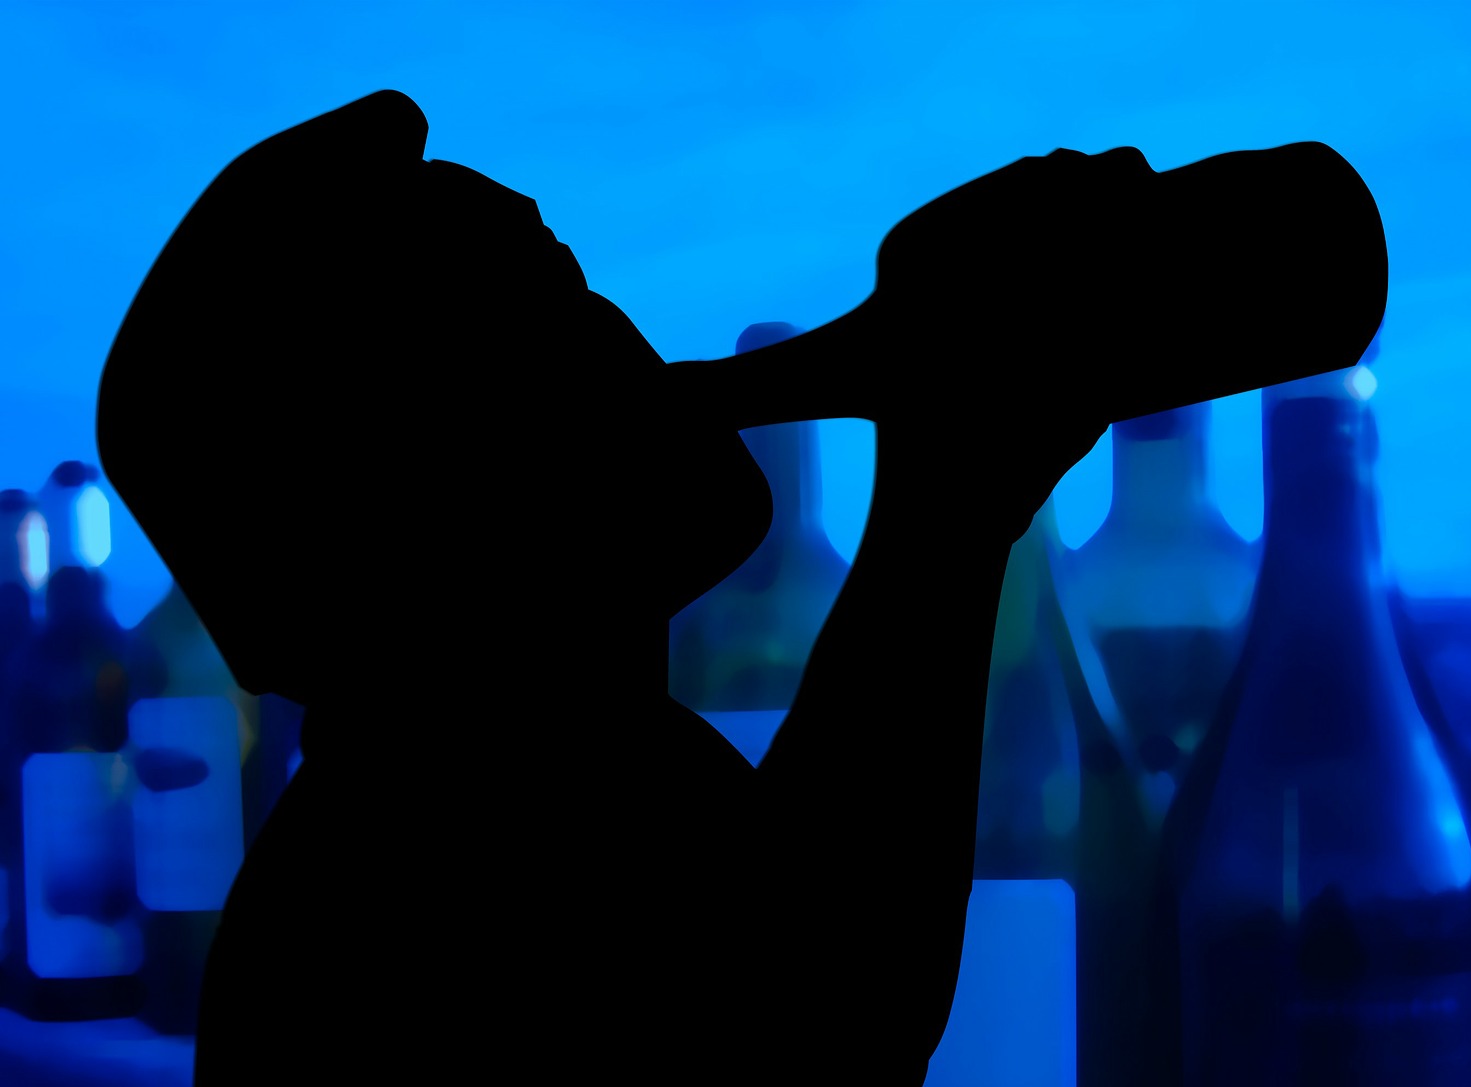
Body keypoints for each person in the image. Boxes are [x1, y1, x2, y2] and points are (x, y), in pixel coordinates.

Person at [98, 89, 1381, 1084]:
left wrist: (952, 491)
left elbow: (810, 961)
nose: (639, 350)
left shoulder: (552, 775)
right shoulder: (409, 893)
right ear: (418, 503)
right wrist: (947, 492)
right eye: (557, 306)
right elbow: (806, 1021)